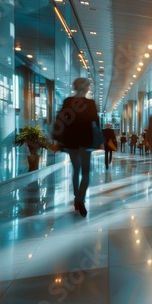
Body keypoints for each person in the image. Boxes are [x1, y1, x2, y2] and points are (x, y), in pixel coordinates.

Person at [52, 77, 98, 217]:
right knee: (85, 172)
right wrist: (99, 140)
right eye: (88, 85)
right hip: (85, 142)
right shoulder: (90, 104)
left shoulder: (68, 101)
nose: (89, 88)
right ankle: (80, 199)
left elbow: (61, 120)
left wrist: (59, 140)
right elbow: (95, 123)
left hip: (71, 142)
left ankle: (77, 198)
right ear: (84, 87)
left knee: (76, 170)